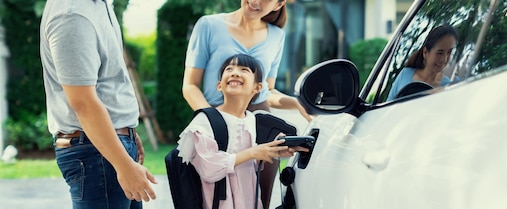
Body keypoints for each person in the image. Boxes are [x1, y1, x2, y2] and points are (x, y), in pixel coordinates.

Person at [181, 0, 310, 207]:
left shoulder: (277, 36)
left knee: (257, 196)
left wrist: (296, 103)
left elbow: (266, 91)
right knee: (212, 196)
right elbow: (190, 86)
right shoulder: (208, 26)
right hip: (216, 121)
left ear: (279, 4)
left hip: (258, 126)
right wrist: (215, 123)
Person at [40, 0, 157, 208]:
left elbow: (106, 82)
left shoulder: (99, 5)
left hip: (106, 145)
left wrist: (126, 131)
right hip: (95, 154)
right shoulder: (72, 13)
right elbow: (83, 102)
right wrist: (123, 163)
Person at [177, 54, 307, 209]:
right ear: (219, 85)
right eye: (229, 69)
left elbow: (251, 163)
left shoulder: (251, 120)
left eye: (244, 69)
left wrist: (273, 151)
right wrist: (252, 152)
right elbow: (208, 168)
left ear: (257, 88)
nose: (235, 72)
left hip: (249, 201)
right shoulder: (205, 122)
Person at [386, 24, 458, 101]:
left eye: (449, 52)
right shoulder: (405, 74)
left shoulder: (448, 87)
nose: (444, 59)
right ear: (425, 52)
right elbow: (387, 107)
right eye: (439, 53)